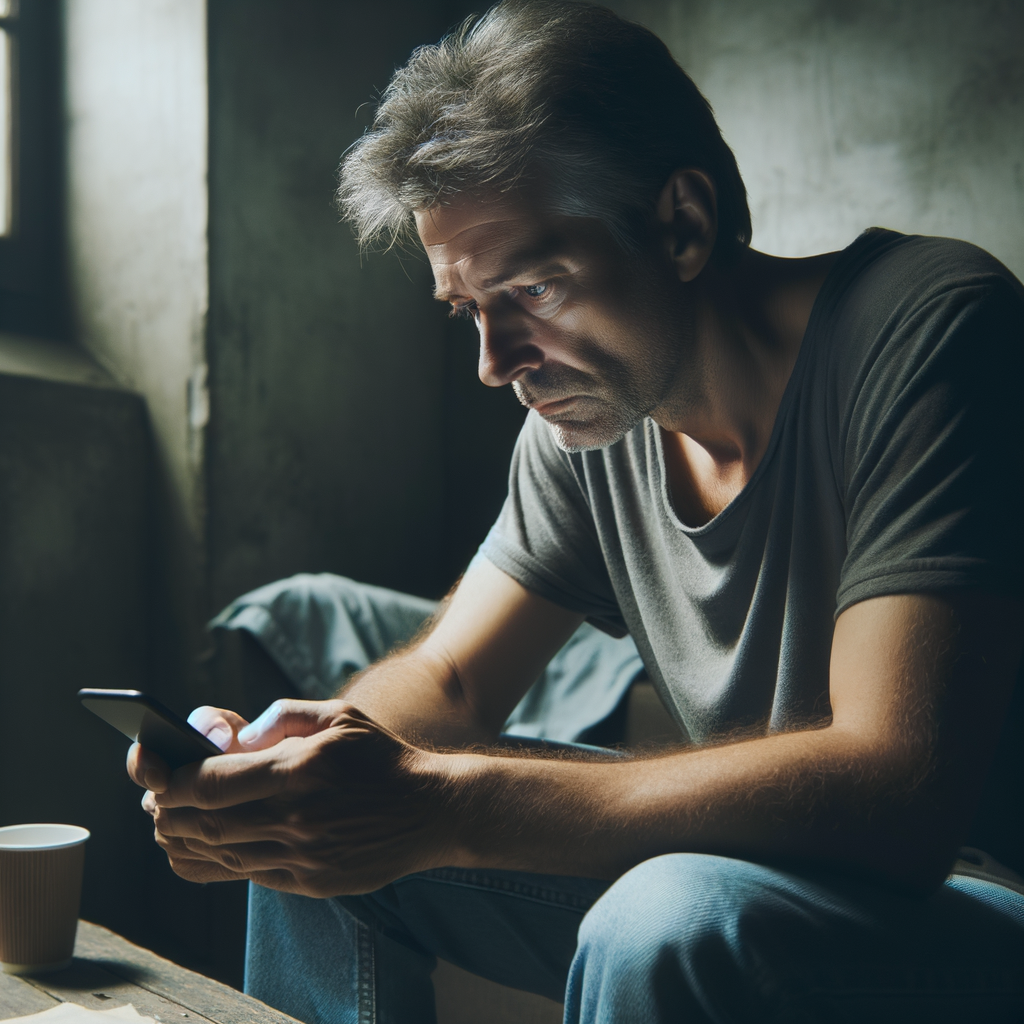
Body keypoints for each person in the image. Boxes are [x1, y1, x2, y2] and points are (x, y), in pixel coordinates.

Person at [128, 2, 1024, 1021]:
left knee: (666, 914)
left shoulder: (930, 328)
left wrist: (447, 800)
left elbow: (893, 794)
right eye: (469, 309)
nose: (493, 361)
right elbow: (451, 676)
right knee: (319, 844)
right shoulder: (583, 433)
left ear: (680, 222)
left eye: (536, 289)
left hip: (972, 896)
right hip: (764, 880)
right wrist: (312, 761)